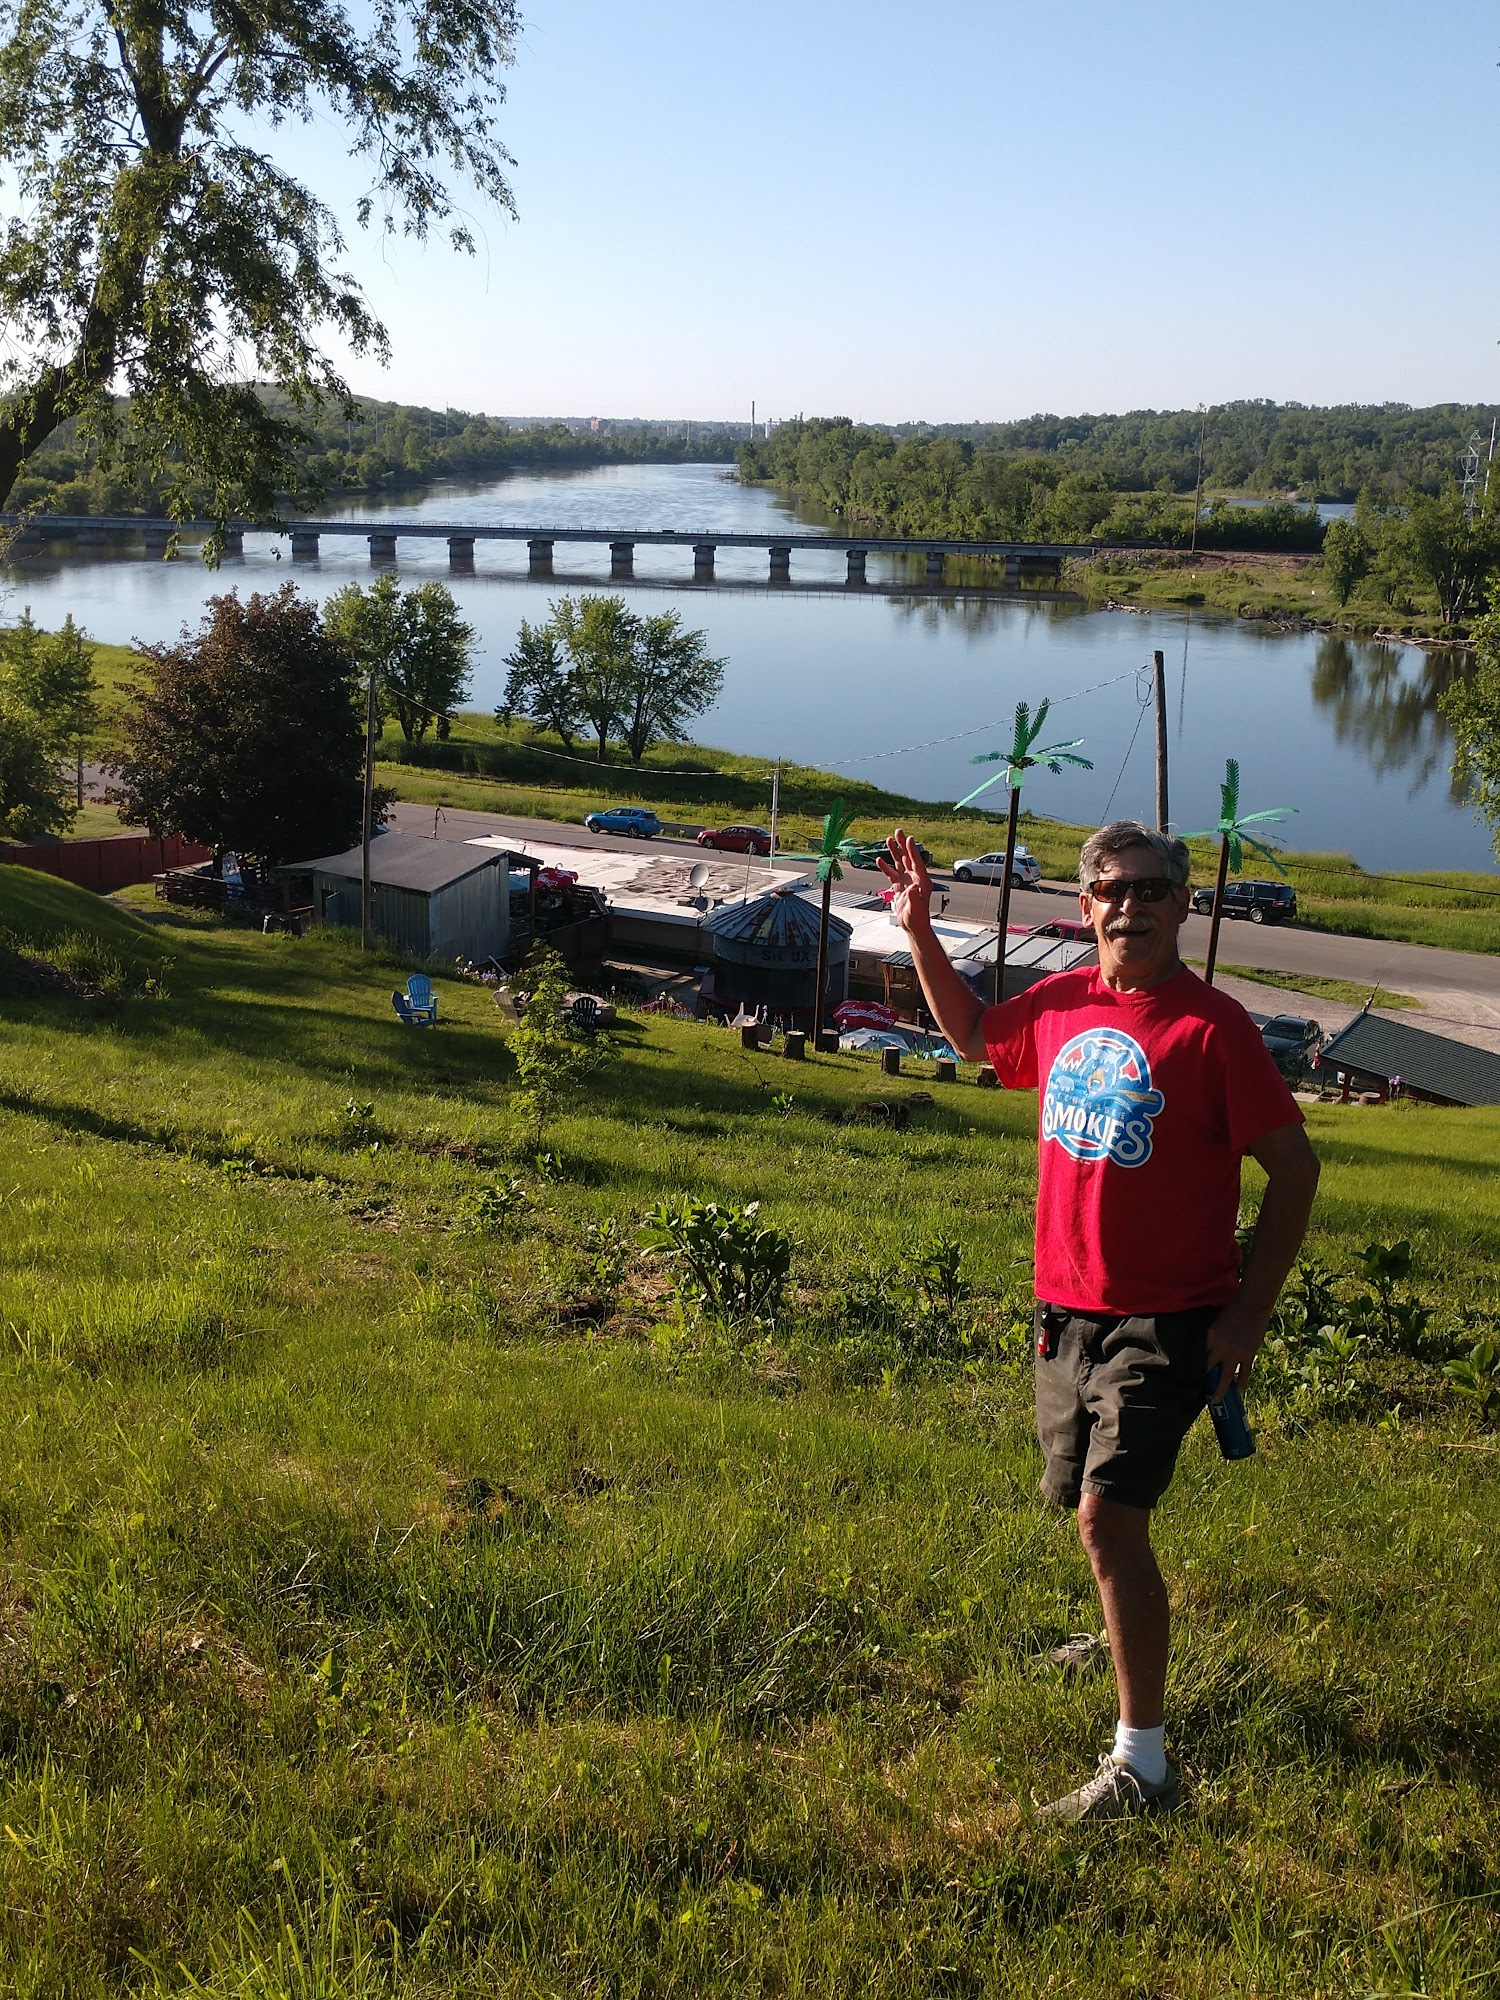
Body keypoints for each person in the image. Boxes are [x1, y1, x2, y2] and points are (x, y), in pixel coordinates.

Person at [878, 820, 1319, 1822]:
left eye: (1152, 890)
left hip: (1166, 1321)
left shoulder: (1214, 1029)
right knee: (1089, 1511)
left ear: (1182, 906)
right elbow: (973, 1037)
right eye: (1113, 890)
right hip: (1064, 1312)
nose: (1132, 907)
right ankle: (1122, 1638)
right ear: (1086, 908)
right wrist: (918, 930)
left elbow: (1294, 1170)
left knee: (1107, 1517)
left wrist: (1247, 1314)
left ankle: (1143, 1766)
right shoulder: (1064, 1003)